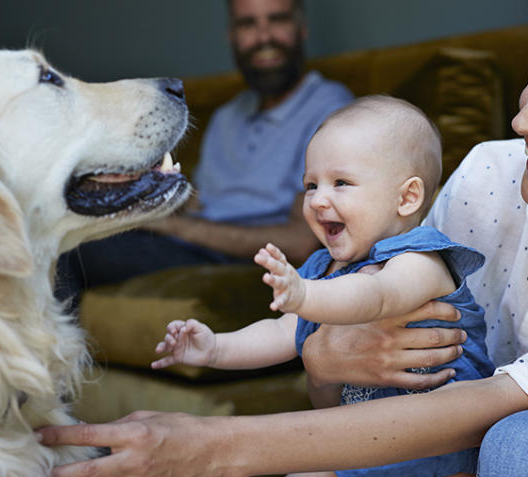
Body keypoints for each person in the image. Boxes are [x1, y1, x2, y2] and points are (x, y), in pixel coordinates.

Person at [40, 1, 528, 477]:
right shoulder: (488, 180)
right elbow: (367, 389)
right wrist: (326, 356)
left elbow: (472, 413)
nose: (524, 118)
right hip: (465, 465)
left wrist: (208, 450)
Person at [152, 96, 494, 477]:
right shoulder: (323, 269)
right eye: (310, 185)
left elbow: (374, 296)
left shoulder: (422, 260)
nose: (318, 200)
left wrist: (306, 294)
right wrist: (214, 347)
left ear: (406, 197)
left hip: (442, 459)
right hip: (363, 450)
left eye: (341, 183)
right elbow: (280, 333)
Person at [54, 0, 353, 303]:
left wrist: (170, 225)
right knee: (65, 232)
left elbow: (302, 242)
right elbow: (198, 203)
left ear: (301, 29)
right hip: (187, 247)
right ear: (232, 37)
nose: (263, 37)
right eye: (248, 24)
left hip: (243, 262)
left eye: (277, 19)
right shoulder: (226, 116)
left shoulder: (330, 109)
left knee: (70, 251)